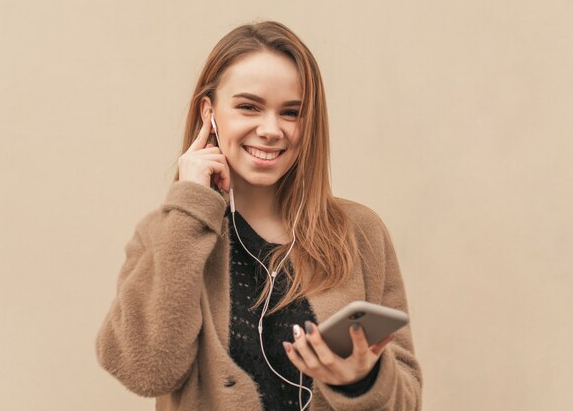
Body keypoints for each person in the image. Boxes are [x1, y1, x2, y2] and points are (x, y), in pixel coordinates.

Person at [95, 20, 422, 411]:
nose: (270, 130)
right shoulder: (168, 232)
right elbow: (144, 370)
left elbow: (407, 401)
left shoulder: (359, 232)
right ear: (209, 113)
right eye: (249, 106)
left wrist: (361, 380)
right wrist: (190, 205)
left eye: (291, 112)